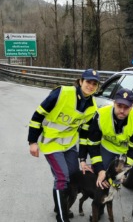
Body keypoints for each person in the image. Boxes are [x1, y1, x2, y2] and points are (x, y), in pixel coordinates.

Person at [28, 69, 100, 222]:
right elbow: (37, 116)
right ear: (81, 81)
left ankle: (59, 205)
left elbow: (84, 135)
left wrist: (82, 159)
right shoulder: (61, 93)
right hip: (51, 143)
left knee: (73, 176)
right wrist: (32, 141)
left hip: (69, 144)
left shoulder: (92, 107)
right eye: (88, 82)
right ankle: (62, 217)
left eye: (94, 84)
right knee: (62, 177)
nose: (91, 86)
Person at [83, 88, 133, 222]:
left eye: (126, 107)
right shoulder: (101, 115)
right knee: (102, 175)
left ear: (132, 106)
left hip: (131, 149)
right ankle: (100, 204)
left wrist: (124, 172)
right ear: (114, 103)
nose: (122, 110)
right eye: (119, 106)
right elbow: (92, 144)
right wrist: (99, 169)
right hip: (109, 147)